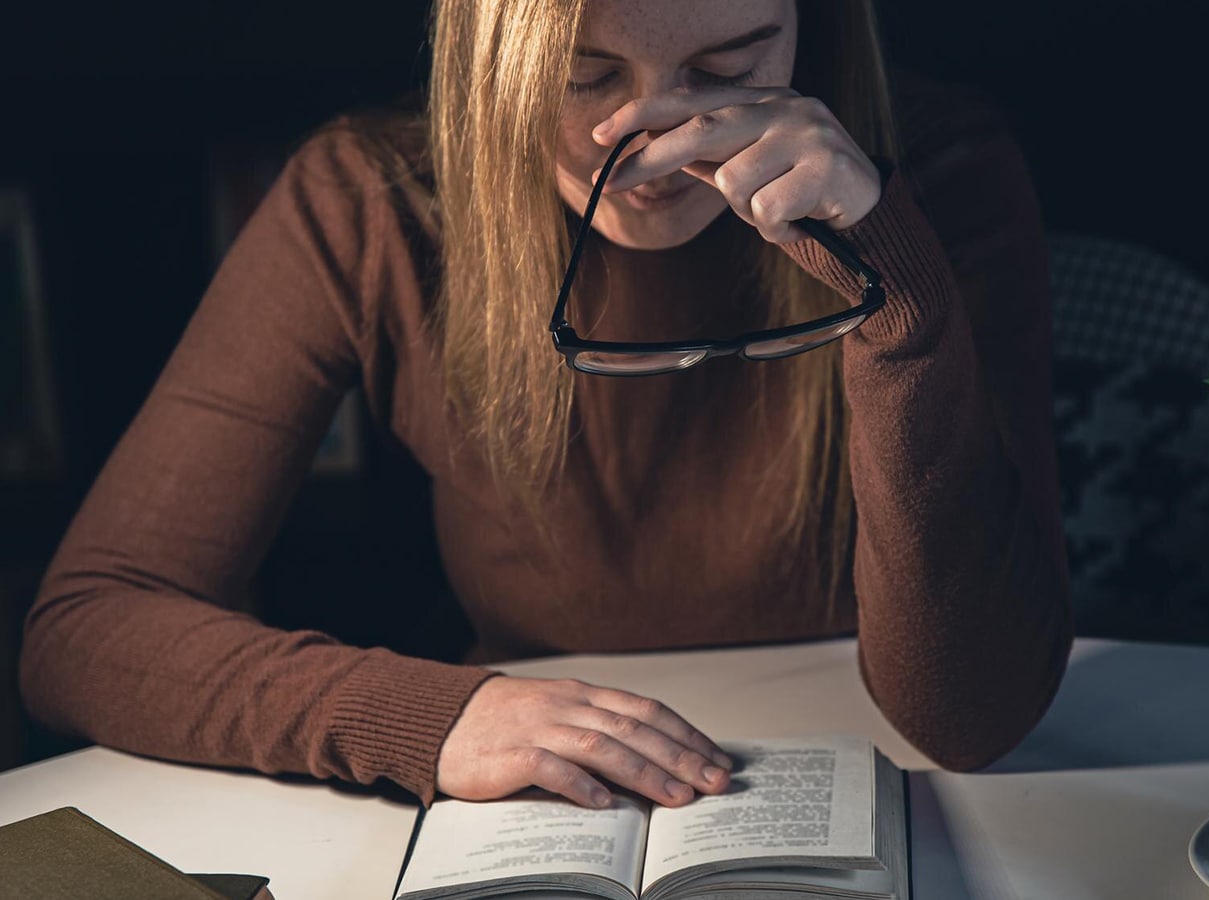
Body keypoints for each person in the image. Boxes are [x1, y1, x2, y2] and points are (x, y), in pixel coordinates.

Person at [19, 0, 1071, 810]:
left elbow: (969, 715)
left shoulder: (940, 171)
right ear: (492, 51)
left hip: (886, 785)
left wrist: (898, 299)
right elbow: (85, 631)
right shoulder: (368, 198)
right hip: (545, 796)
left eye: (728, 66)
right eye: (581, 74)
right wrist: (433, 717)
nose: (653, 143)